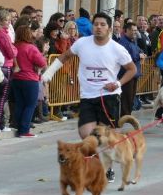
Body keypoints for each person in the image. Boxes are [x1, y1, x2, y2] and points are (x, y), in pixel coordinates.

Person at [41, 13, 136, 168]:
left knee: (105, 137)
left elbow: (131, 69)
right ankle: (98, 161)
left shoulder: (117, 49)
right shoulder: (82, 43)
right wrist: (49, 73)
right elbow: (65, 56)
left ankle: (107, 167)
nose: (98, 27)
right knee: (86, 134)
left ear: (109, 29)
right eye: (96, 24)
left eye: (102, 25)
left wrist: (117, 83)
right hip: (88, 96)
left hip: (109, 96)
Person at [11, 25, 46, 138]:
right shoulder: (30, 47)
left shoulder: (14, 46)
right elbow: (42, 62)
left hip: (16, 78)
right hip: (30, 79)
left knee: (20, 103)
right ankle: (24, 130)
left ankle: (18, 125)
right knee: (30, 104)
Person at [118, 22, 144, 116]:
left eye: (135, 30)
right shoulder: (123, 42)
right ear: (126, 31)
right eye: (132, 30)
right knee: (126, 97)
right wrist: (138, 56)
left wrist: (141, 53)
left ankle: (128, 115)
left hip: (135, 73)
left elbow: (137, 49)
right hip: (126, 73)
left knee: (131, 96)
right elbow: (126, 57)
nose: (134, 32)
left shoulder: (133, 40)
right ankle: (125, 116)